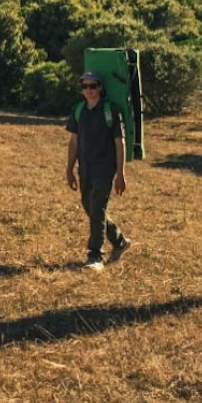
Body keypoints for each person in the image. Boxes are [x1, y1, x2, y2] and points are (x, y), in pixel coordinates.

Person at [65, 71, 131, 271]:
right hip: (85, 167)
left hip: (105, 168)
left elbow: (120, 143)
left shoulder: (112, 110)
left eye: (93, 86)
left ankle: (95, 255)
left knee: (98, 207)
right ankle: (119, 241)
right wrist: (69, 169)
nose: (89, 90)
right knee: (89, 206)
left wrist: (121, 174)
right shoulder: (78, 110)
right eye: (85, 86)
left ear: (100, 88)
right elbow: (74, 141)